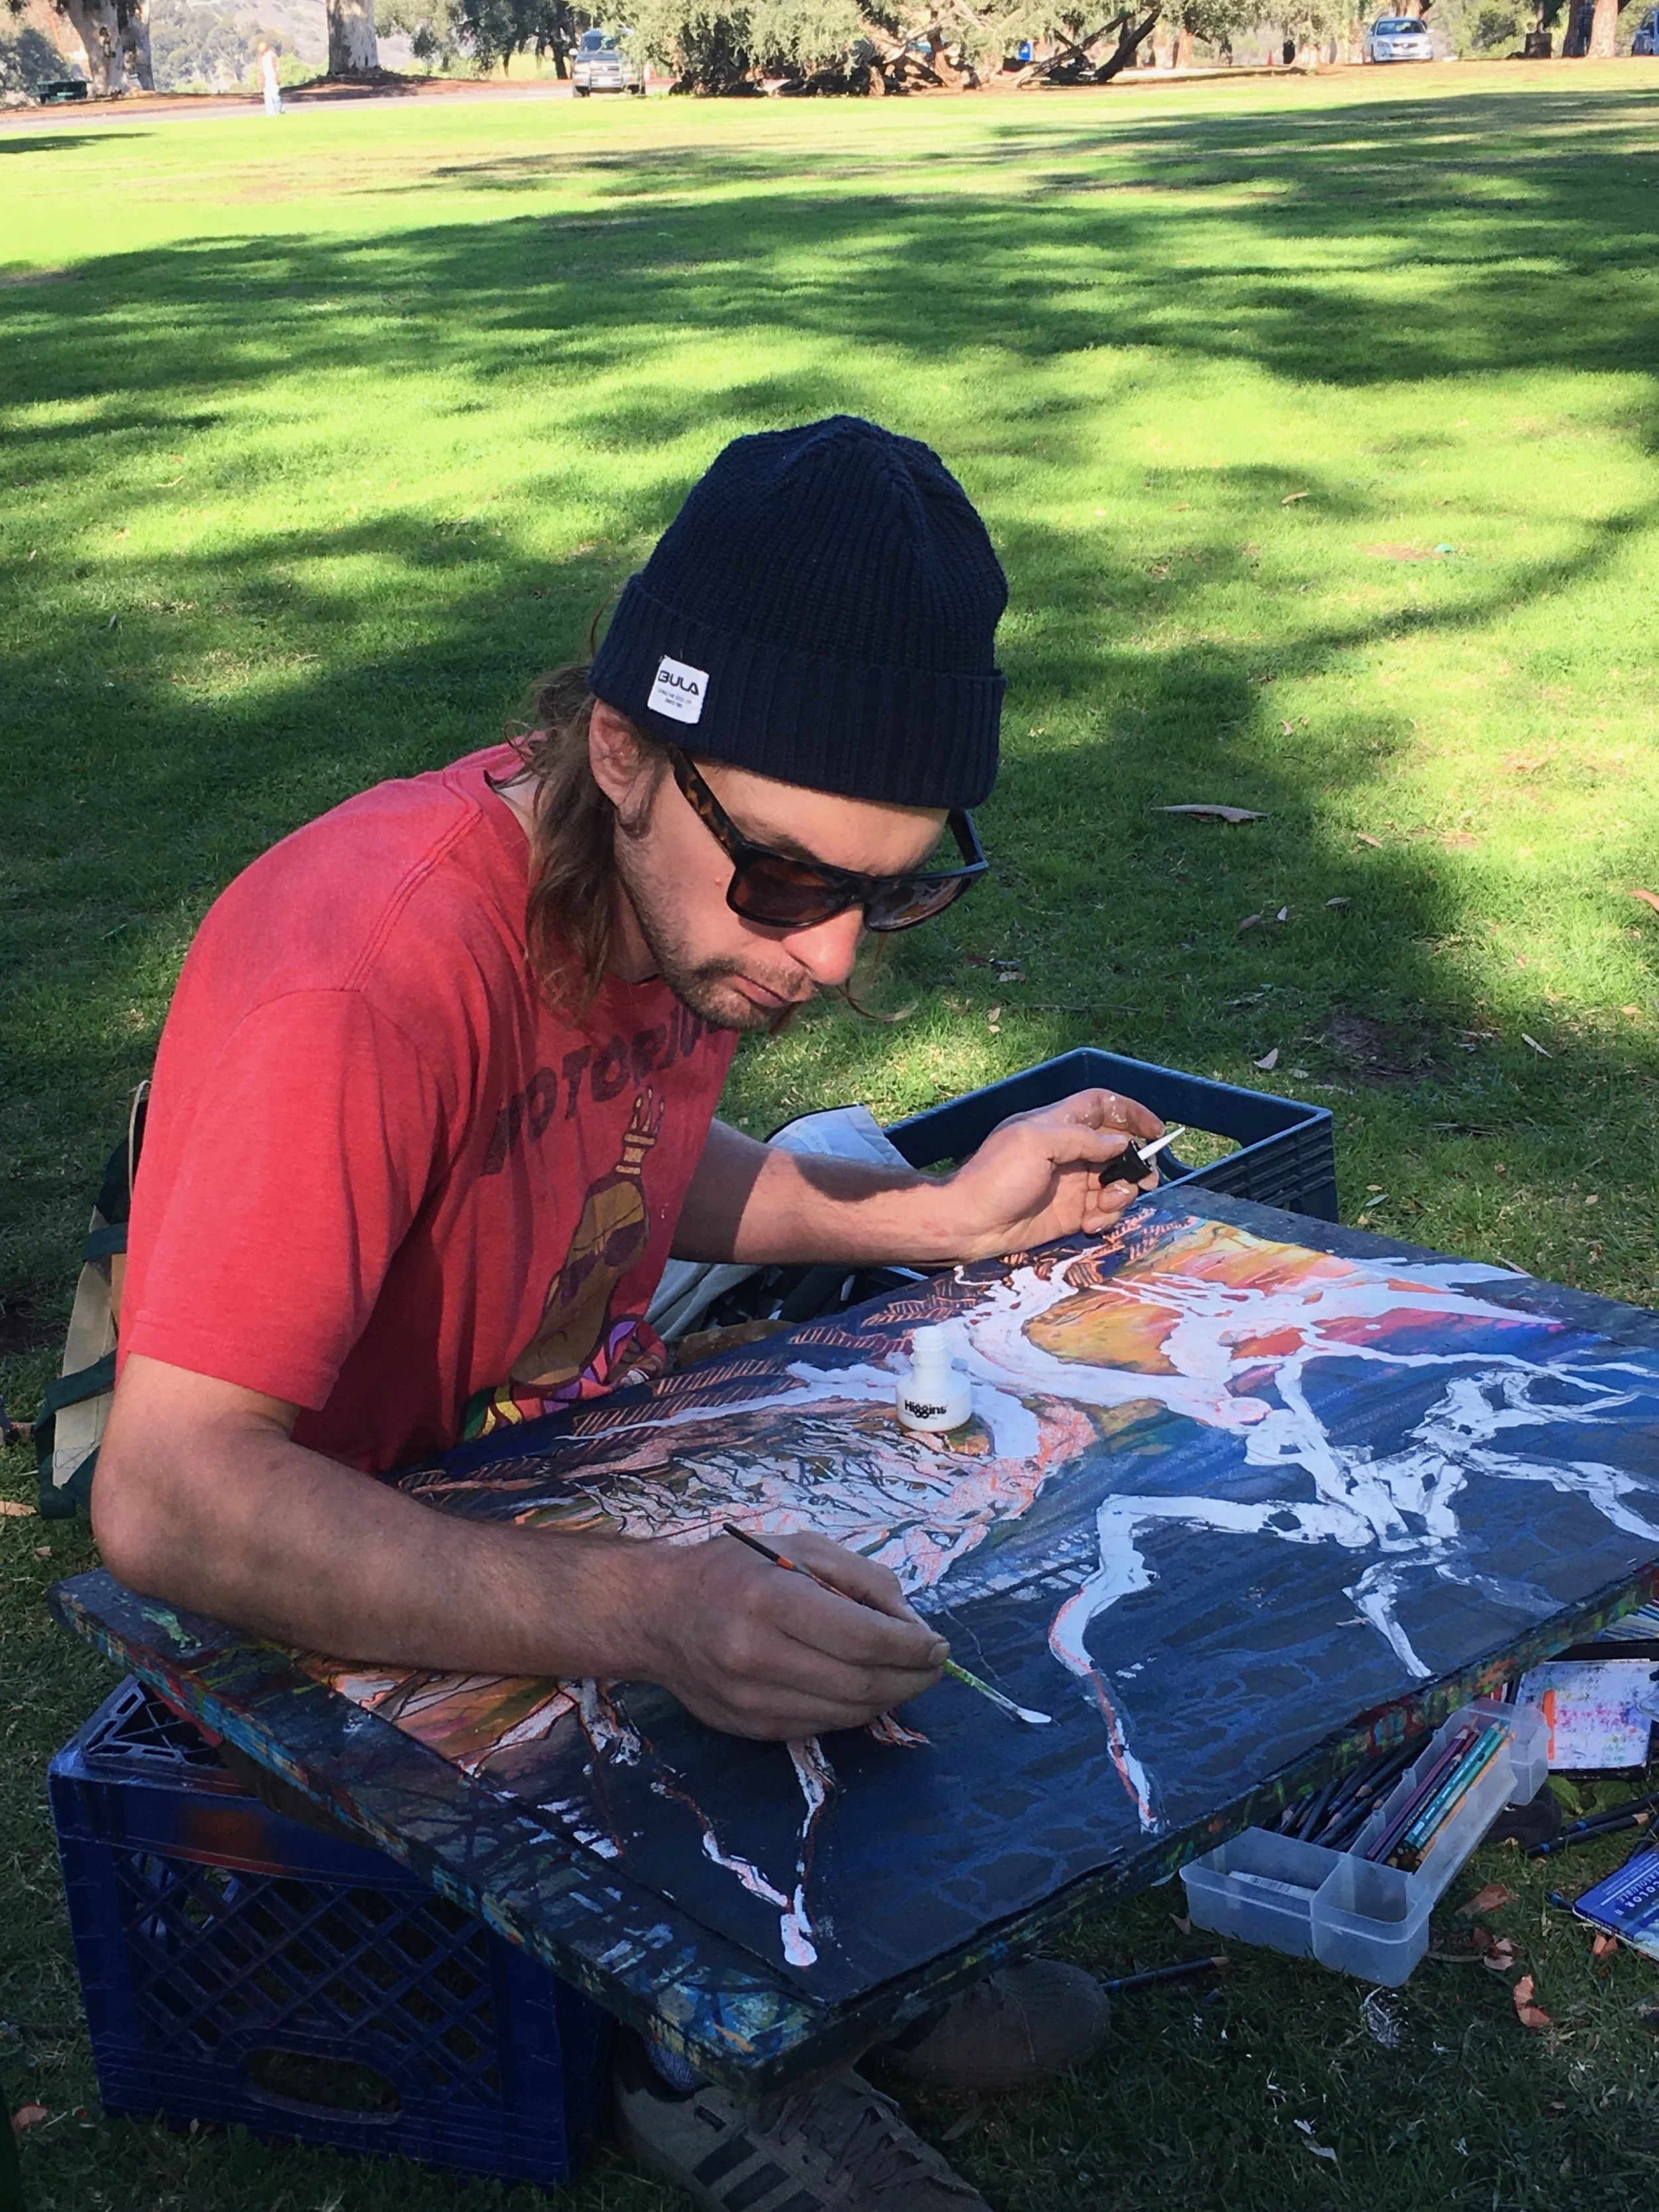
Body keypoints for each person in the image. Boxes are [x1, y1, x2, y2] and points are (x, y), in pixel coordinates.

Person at [93, 417, 1163, 2212]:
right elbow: (169, 1498)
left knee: (910, 1515)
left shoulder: (657, 899)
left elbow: (627, 1152)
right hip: (306, 1566)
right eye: (794, 881)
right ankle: (694, 2058)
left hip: (542, 1454)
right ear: (622, 747)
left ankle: (837, 1961)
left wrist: (930, 1215)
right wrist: (650, 1613)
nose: (831, 956)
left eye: (893, 890)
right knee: (742, 1623)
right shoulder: (359, 972)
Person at [257, 40, 282, 115]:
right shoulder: (260, 58)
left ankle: (281, 110)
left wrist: (278, 77)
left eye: (260, 48)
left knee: (275, 96)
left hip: (273, 78)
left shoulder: (272, 55)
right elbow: (260, 71)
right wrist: (260, 82)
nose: (259, 49)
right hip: (266, 80)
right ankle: (271, 114)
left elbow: (277, 66)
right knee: (268, 98)